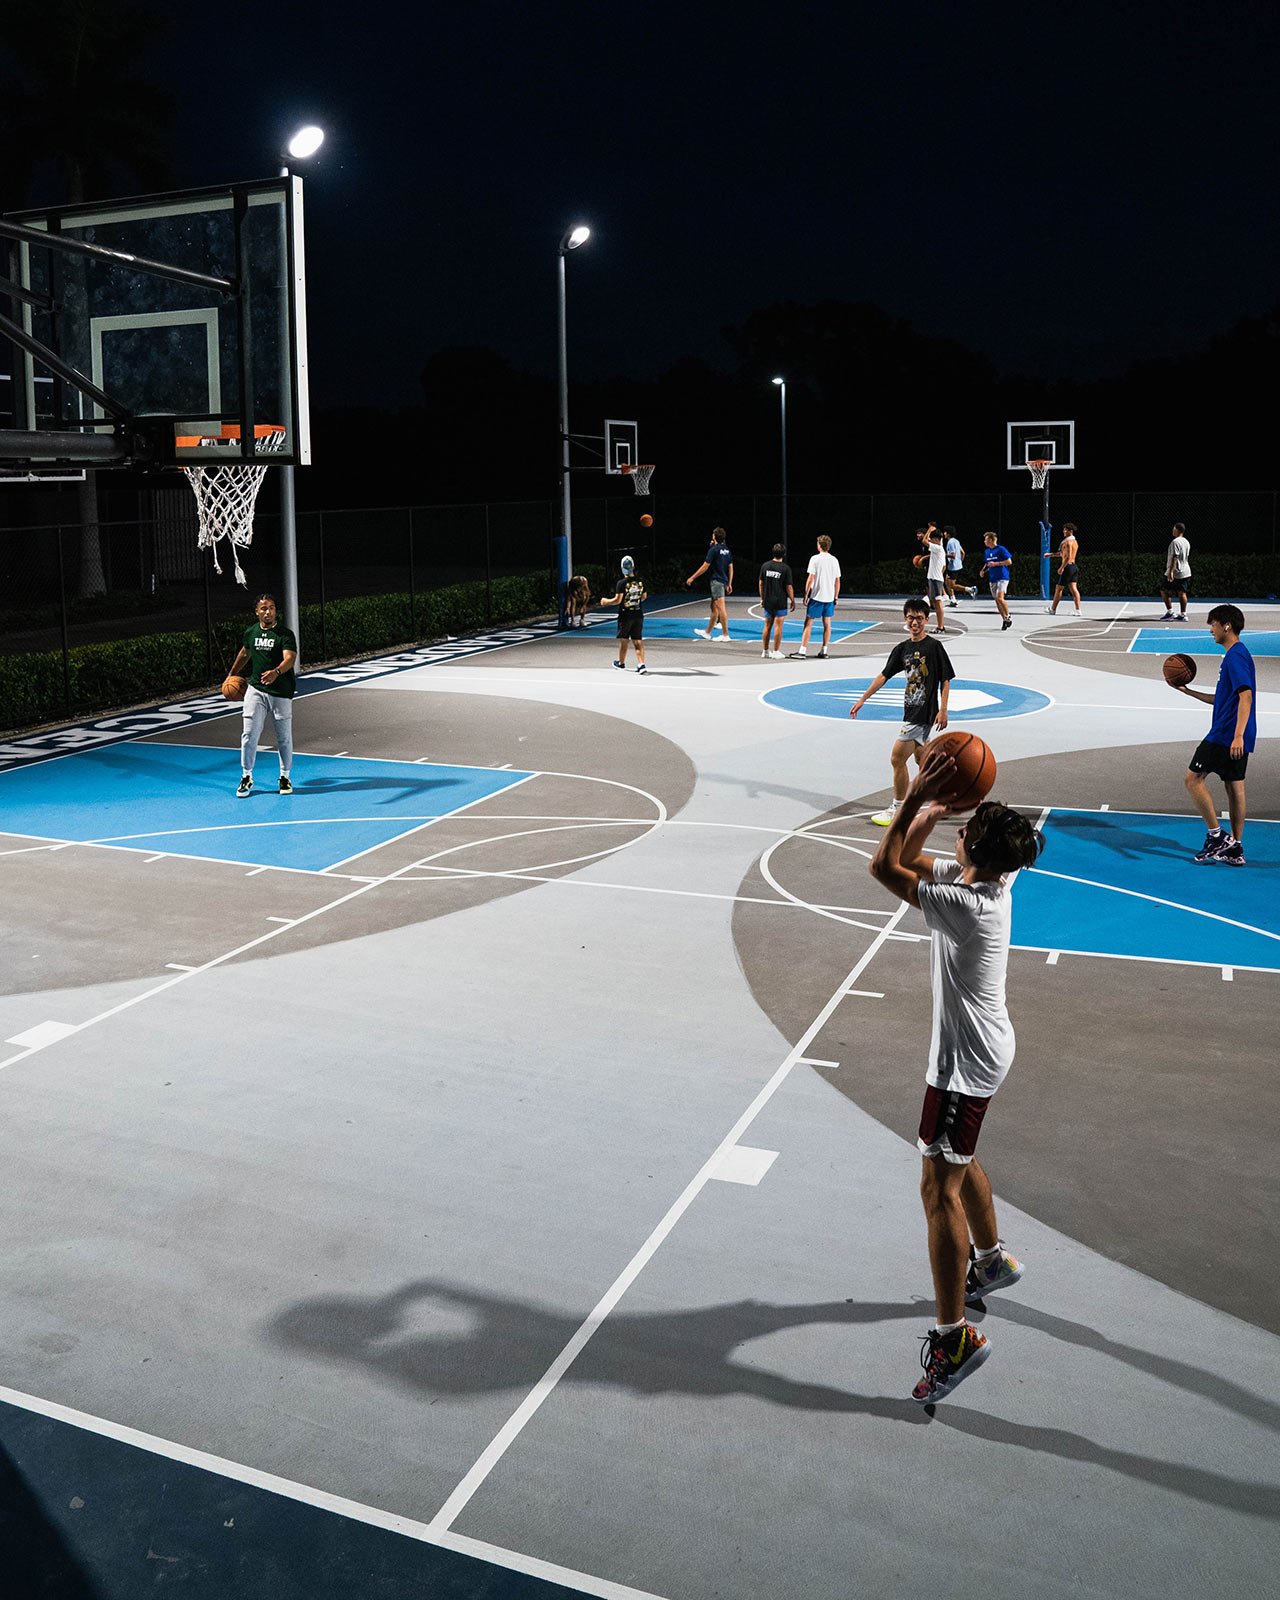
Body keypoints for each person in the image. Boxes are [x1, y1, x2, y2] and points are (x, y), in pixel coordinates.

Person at [868, 751, 1045, 1404]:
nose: (958, 831)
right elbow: (913, 860)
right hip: (985, 1048)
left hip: (963, 1062)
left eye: (964, 828)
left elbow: (884, 866)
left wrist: (915, 798)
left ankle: (954, 1339)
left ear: (973, 846)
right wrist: (935, 812)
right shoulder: (986, 880)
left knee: (935, 1186)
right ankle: (990, 1260)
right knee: (957, 1158)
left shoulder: (967, 903)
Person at [849, 598, 954, 826]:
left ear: (927, 619)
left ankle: (898, 809)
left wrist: (943, 709)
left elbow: (945, 679)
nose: (915, 622)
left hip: (922, 713)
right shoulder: (902, 649)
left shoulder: (934, 647)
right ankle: (946, 798)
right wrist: (863, 699)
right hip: (910, 709)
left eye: (919, 618)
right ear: (905, 619)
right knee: (923, 760)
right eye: (910, 618)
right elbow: (883, 676)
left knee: (897, 758)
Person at [1174, 603, 1255, 866]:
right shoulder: (1238, 654)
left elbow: (1245, 696)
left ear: (1226, 626)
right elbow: (1222, 699)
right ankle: (1235, 848)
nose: (1211, 630)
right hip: (1237, 732)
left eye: (1213, 624)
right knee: (1234, 786)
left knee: (1193, 779)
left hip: (1226, 733)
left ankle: (1216, 836)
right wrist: (1189, 692)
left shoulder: (1235, 657)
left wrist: (1237, 735)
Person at [226, 593, 297, 797]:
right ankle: (246, 776)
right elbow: (245, 653)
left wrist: (276, 672)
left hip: (281, 691)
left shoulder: (285, 634)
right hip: (256, 689)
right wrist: (232, 674)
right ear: (257, 612)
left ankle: (285, 776)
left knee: (284, 738)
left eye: (272, 608)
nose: (268, 612)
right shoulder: (251, 632)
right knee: (249, 735)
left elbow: (290, 658)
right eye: (264, 608)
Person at [788, 535, 842, 659]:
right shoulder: (834, 560)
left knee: (808, 623)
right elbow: (837, 580)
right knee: (827, 624)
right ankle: (824, 650)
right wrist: (836, 596)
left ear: (819, 545)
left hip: (817, 596)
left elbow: (811, 577)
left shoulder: (815, 559)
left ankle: (802, 651)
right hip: (829, 597)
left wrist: (806, 594)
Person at [602, 555, 648, 673]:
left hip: (625, 615)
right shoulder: (640, 582)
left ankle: (621, 663)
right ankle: (641, 664)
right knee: (637, 640)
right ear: (633, 567)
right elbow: (644, 597)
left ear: (622, 568)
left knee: (624, 640)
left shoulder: (621, 583)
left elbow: (617, 600)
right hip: (638, 614)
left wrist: (605, 601)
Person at [687, 527, 734, 641]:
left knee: (721, 608)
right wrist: (729, 583)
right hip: (723, 581)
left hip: (716, 581)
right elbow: (731, 567)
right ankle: (707, 632)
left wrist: (692, 577)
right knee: (714, 608)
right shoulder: (727, 550)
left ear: (714, 536)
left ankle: (725, 635)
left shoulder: (713, 550)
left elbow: (705, 566)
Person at [757, 543, 795, 658]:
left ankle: (765, 651)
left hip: (768, 600)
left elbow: (761, 583)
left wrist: (762, 598)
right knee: (778, 626)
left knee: (767, 626)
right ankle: (776, 651)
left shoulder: (765, 566)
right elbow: (789, 587)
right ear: (784, 554)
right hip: (780, 601)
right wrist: (792, 600)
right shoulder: (786, 568)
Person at [980, 532, 1014, 630]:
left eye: (986, 539)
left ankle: (1008, 616)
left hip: (1002, 577)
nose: (984, 541)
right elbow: (987, 563)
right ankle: (1004, 619)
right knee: (997, 601)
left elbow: (1009, 562)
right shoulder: (987, 551)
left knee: (1000, 598)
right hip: (993, 578)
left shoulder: (1001, 549)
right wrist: (983, 570)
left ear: (991, 540)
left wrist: (996, 563)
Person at [1046, 522, 1082, 615]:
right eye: (1064, 530)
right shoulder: (1075, 542)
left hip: (1068, 567)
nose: (1064, 531)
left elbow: (1067, 557)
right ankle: (1078, 610)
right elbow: (1062, 554)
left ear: (1071, 531)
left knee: (1059, 588)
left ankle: (1053, 610)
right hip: (1073, 567)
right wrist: (1050, 555)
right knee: (1074, 588)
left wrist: (1062, 567)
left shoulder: (1068, 542)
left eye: (1066, 530)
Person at [1161, 523, 1192, 620]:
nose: (1172, 530)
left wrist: (1170, 571)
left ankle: (1170, 612)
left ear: (1177, 530)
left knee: (1163, 590)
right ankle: (1183, 615)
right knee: (1182, 592)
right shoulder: (1186, 541)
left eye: (1174, 529)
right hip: (1186, 570)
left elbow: (1175, 556)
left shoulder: (1175, 542)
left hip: (1176, 571)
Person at [923, 526, 949, 633]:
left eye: (932, 539)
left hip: (935, 579)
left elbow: (924, 541)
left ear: (936, 540)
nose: (930, 541)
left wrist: (929, 530)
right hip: (935, 578)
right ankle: (940, 626)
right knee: (935, 603)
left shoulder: (937, 548)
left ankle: (940, 627)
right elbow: (944, 567)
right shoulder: (940, 548)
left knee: (938, 603)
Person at [943, 526, 976, 605]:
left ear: (948, 534)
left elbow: (953, 555)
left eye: (945, 532)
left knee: (952, 585)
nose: (944, 534)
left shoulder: (950, 542)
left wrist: (943, 554)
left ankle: (971, 589)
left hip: (953, 567)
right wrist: (959, 562)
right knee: (947, 582)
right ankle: (953, 600)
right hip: (956, 566)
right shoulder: (956, 541)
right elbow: (963, 553)